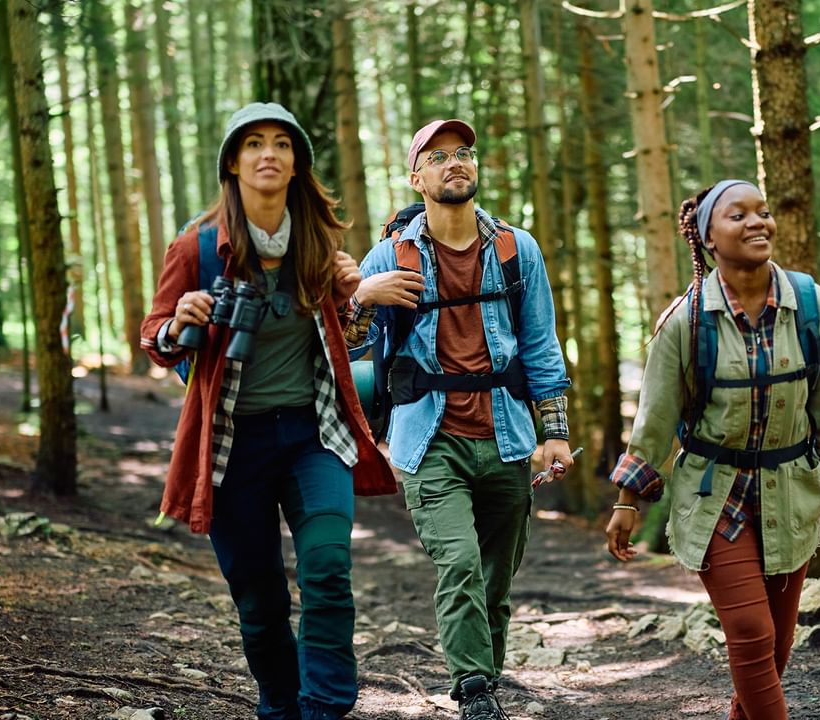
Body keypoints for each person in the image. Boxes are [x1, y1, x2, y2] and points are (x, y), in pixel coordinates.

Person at [140, 102, 397, 720]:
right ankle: (281, 707)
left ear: (295, 163)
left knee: (329, 570)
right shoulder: (198, 247)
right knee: (258, 599)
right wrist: (181, 321)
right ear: (233, 162)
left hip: (313, 435)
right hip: (231, 444)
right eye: (253, 143)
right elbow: (153, 338)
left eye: (281, 144)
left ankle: (325, 706)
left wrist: (354, 293)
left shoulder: (319, 242)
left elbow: (351, 341)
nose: (268, 154)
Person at [604, 180, 820, 720]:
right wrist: (626, 500)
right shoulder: (684, 322)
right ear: (708, 237)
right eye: (739, 215)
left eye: (764, 211)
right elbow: (655, 421)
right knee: (752, 634)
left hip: (792, 494)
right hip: (715, 498)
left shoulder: (812, 307)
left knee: (774, 651)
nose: (758, 222)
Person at [347, 118, 573, 720]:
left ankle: (487, 684)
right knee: (460, 563)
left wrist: (555, 434)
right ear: (415, 175)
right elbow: (347, 348)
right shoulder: (388, 256)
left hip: (507, 437)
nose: (456, 163)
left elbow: (542, 345)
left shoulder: (515, 250)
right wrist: (362, 299)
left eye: (465, 153)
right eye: (439, 155)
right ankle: (473, 689)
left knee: (497, 581)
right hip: (428, 439)